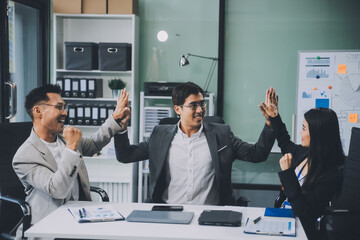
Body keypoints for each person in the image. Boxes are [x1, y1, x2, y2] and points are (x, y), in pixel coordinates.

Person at [115, 82, 275, 205]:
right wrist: (120, 127)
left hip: (211, 215)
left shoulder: (222, 134)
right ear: (178, 109)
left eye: (202, 104)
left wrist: (270, 123)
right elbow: (125, 155)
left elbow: (257, 154)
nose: (200, 110)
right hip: (169, 212)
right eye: (193, 105)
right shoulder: (159, 135)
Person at [12, 84, 129, 240]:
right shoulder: (25, 156)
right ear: (38, 111)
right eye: (59, 107)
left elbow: (94, 145)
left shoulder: (64, 138)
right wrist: (71, 148)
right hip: (48, 227)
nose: (65, 113)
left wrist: (115, 119)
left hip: (79, 219)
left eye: (64, 107)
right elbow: (56, 189)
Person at [259, 88, 345, 240]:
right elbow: (284, 141)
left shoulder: (333, 174)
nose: (300, 133)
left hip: (302, 231)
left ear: (318, 134)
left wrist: (288, 174)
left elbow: (305, 211)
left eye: (304, 128)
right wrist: (274, 117)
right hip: (283, 221)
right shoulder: (304, 153)